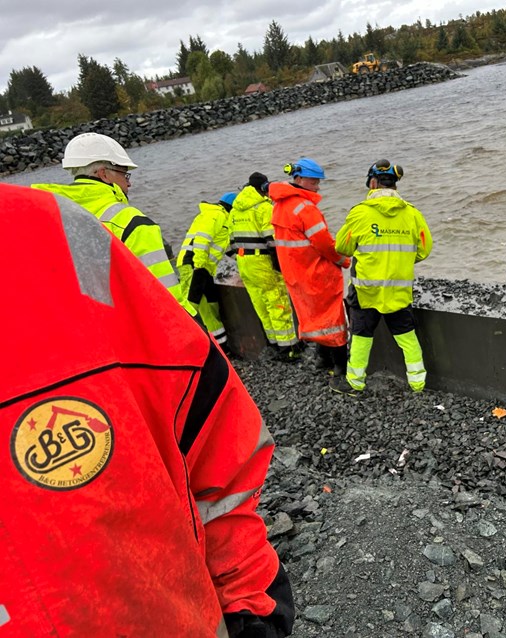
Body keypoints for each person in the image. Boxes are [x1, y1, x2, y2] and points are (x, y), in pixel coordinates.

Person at [0, 183, 295, 637]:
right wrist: (249, 594)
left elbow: (202, 417)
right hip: (167, 324)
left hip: (171, 326)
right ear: (110, 173)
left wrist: (244, 590)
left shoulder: (48, 224)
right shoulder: (58, 227)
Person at [31, 132, 196, 316]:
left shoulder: (48, 219)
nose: (129, 184)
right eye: (125, 175)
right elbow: (170, 303)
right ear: (104, 174)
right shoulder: (130, 222)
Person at [333, 159, 432, 395]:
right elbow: (425, 249)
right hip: (398, 290)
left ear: (373, 183)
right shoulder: (412, 214)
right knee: (407, 336)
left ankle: (355, 383)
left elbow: (342, 247)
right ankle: (418, 384)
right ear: (395, 185)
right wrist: (400, 261)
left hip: (366, 290)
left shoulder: (360, 213)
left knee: (361, 336)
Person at [268, 158, 350, 377]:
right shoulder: (305, 208)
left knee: (312, 318)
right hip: (317, 272)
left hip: (296, 273)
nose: (317, 186)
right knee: (333, 319)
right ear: (299, 179)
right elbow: (324, 243)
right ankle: (341, 366)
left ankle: (322, 359)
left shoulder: (279, 205)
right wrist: (343, 260)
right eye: (314, 182)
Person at [228, 172, 300, 361]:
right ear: (263, 188)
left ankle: (274, 343)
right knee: (277, 301)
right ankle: (289, 348)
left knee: (260, 303)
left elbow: (231, 242)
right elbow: (273, 240)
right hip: (262, 261)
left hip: (244, 262)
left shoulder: (235, 210)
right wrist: (280, 266)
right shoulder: (263, 208)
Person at [177, 192, 236, 350]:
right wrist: (200, 267)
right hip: (194, 266)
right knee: (195, 308)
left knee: (211, 306)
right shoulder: (216, 215)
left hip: (204, 268)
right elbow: (202, 241)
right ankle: (193, 346)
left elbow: (221, 246)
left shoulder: (219, 217)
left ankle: (221, 346)